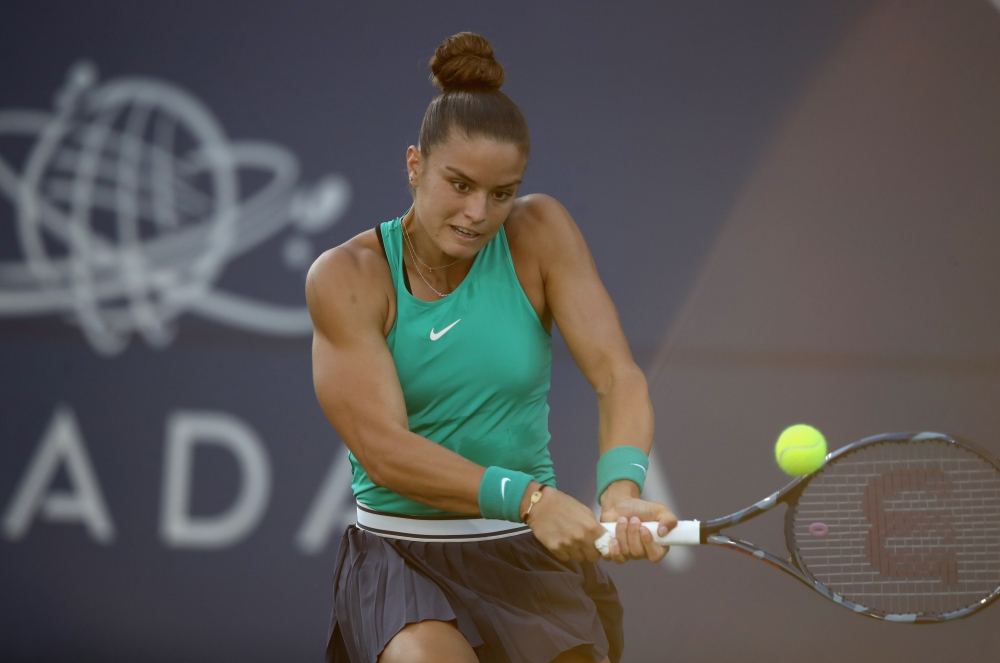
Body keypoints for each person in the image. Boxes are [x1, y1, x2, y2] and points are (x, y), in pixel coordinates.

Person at [307, 32, 676, 663]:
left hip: (523, 553)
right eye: (459, 185)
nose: (479, 212)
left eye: (501, 193)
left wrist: (620, 488)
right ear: (415, 165)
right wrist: (530, 499)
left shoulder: (541, 233)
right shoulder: (348, 277)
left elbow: (618, 376)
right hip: (401, 556)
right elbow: (384, 450)